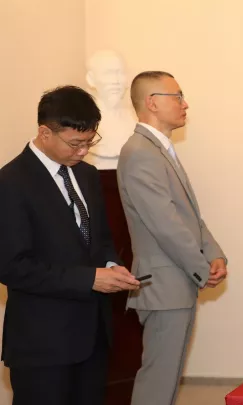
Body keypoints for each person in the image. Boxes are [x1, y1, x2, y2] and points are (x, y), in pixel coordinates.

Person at [0, 86, 139, 405]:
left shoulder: (87, 175)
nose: (83, 151)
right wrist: (90, 279)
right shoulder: (11, 183)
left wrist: (110, 266)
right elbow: (12, 266)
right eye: (75, 143)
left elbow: (100, 239)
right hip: (43, 344)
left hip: (92, 336)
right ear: (45, 133)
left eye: (90, 141)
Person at [117, 71, 228, 405]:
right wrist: (201, 268)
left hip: (176, 284)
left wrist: (214, 253)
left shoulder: (158, 150)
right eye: (177, 96)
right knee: (157, 383)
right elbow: (165, 224)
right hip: (164, 286)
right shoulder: (140, 151)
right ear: (152, 103)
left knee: (166, 382)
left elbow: (188, 215)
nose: (185, 104)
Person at [84, 51, 137, 169]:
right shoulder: (82, 120)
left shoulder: (135, 119)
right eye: (108, 73)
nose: (116, 81)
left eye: (120, 73)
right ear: (91, 79)